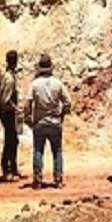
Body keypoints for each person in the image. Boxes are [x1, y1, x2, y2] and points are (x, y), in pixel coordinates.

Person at [25, 53, 71, 189]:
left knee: (38, 151)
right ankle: (58, 180)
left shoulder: (34, 85)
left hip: (40, 122)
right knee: (57, 151)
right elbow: (67, 102)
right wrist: (62, 115)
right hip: (55, 122)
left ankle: (38, 180)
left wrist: (28, 119)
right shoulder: (58, 83)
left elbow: (28, 104)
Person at [0, 50, 23, 182]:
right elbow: (5, 100)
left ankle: (13, 167)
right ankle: (6, 170)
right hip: (7, 113)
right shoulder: (9, 79)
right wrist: (16, 108)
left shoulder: (5, 74)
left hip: (6, 112)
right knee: (10, 141)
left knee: (13, 140)